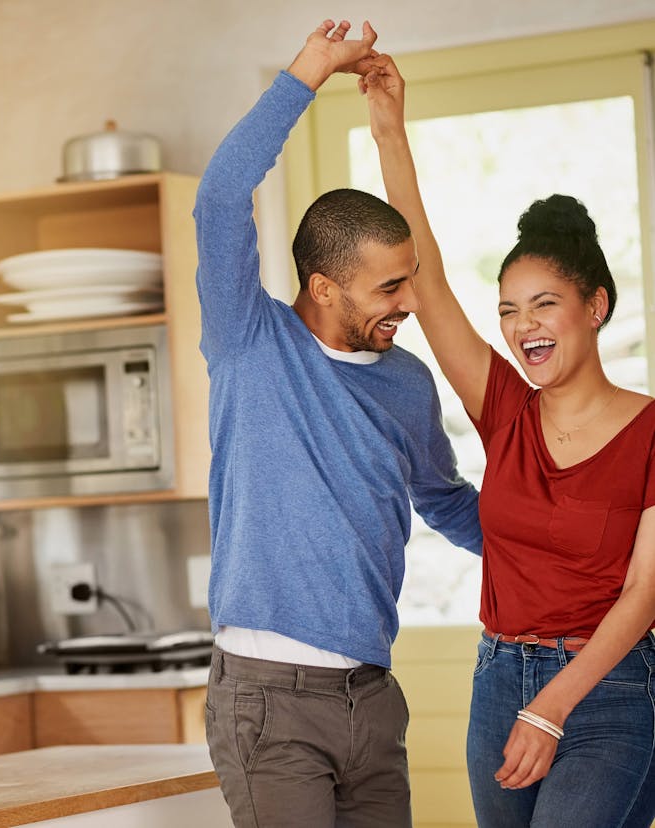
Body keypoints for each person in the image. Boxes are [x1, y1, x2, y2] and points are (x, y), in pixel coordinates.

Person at [193, 19, 483, 828]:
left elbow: (447, 501)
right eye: (390, 288)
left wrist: (566, 548)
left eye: (410, 279)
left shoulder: (407, 383)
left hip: (373, 699)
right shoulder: (250, 343)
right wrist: (307, 74)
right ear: (323, 287)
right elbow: (219, 200)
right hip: (268, 703)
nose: (411, 302)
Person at [362, 53, 655, 828]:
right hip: (497, 680)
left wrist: (552, 707)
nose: (524, 326)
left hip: (611, 690)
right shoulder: (506, 410)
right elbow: (425, 282)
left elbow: (645, 594)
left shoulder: (652, 432)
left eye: (544, 304)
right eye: (508, 310)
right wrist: (389, 127)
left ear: (595, 307)